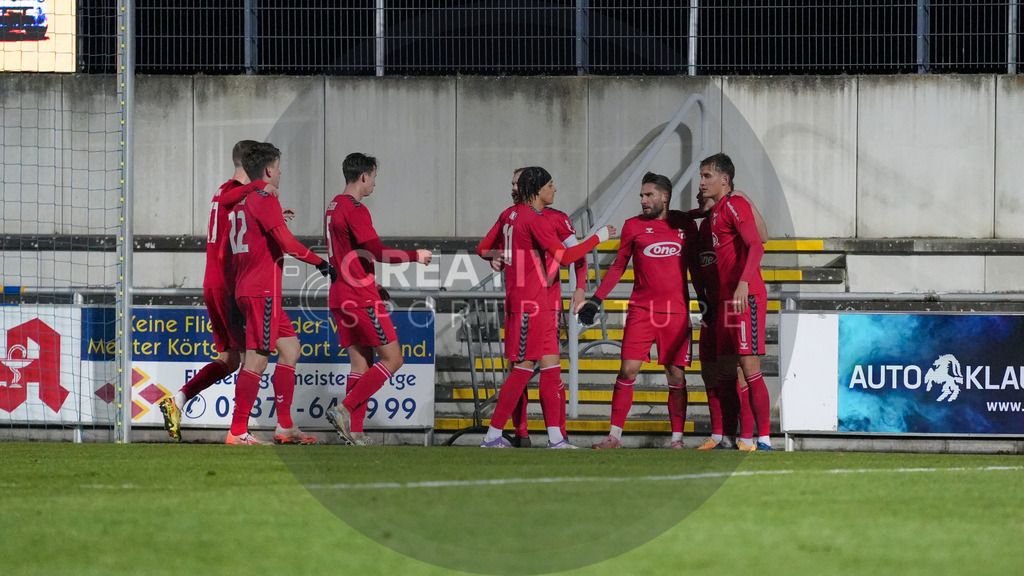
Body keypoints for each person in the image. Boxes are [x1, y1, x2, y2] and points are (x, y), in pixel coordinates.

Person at [476, 166, 615, 449]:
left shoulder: (509, 214)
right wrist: (598, 238)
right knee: (524, 368)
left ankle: (555, 439)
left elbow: (484, 247)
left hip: (530, 301)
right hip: (532, 304)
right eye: (551, 185)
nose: (554, 190)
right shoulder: (534, 218)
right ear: (538, 189)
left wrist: (497, 256)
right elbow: (566, 257)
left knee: (551, 369)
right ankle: (492, 435)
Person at [159, 139, 277, 442]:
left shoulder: (224, 190)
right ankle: (238, 431)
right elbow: (233, 222)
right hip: (228, 286)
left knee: (230, 359)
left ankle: (179, 401)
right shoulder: (233, 192)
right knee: (255, 358)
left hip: (214, 283)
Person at [575, 172, 701, 450]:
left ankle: (677, 440)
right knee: (628, 370)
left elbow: (695, 267)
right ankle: (614, 436)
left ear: (665, 196)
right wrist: (597, 299)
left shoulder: (684, 225)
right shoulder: (632, 226)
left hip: (676, 313)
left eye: (648, 195)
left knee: (676, 375)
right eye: (641, 196)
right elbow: (619, 266)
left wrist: (706, 301)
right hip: (641, 311)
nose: (643, 201)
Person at [226, 142, 336, 445]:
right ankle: (237, 431)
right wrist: (321, 264)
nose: (281, 173)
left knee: (290, 349)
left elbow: (256, 233)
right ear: (269, 170)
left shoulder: (243, 202)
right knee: (257, 360)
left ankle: (285, 427)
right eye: (279, 166)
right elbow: (287, 244)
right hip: (261, 291)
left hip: (253, 289)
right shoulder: (262, 199)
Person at [324, 153, 433, 446]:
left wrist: (372, 279)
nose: (374, 183)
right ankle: (344, 409)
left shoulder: (333, 206)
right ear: (363, 177)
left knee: (360, 365)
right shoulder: (356, 209)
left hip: (340, 294)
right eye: (373, 177)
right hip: (360, 298)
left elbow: (348, 255)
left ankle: (354, 432)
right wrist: (415, 256)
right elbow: (378, 252)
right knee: (394, 358)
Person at [698, 153, 772, 451]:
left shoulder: (735, 204)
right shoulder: (716, 211)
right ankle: (733, 436)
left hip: (747, 295)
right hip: (727, 299)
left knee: (749, 367)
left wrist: (743, 283)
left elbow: (757, 244)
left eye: (707, 176)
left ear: (724, 180)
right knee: (725, 370)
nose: (701, 182)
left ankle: (763, 438)